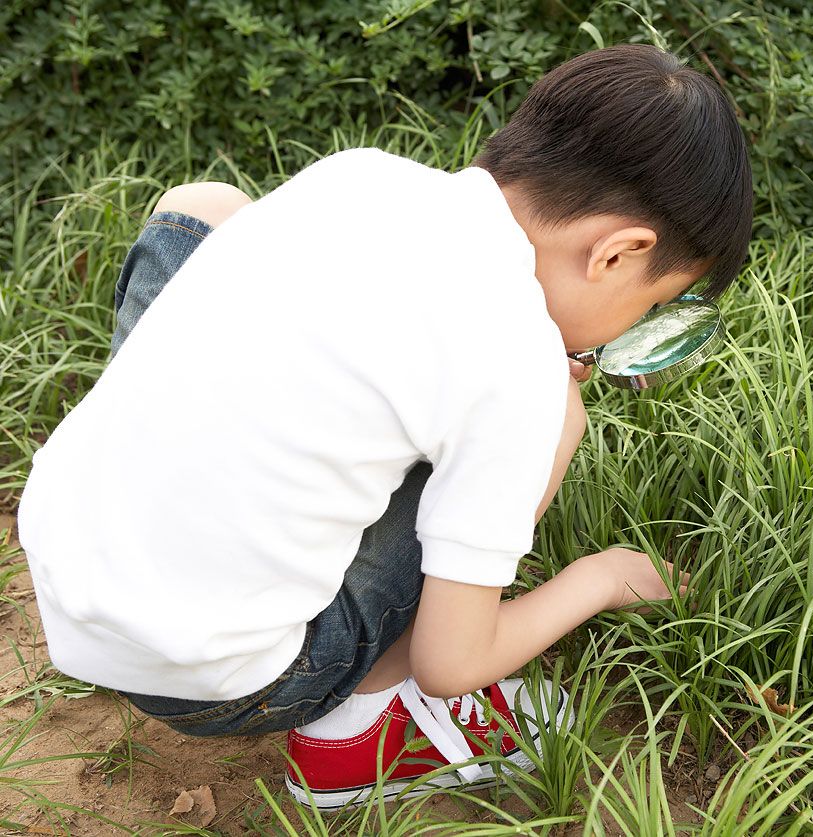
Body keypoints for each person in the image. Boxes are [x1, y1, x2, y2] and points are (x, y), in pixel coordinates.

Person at [15, 43, 752, 809]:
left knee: (208, 208)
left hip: (65, 573)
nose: (632, 326)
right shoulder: (520, 370)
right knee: (554, 419)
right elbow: (453, 659)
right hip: (208, 681)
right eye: (654, 301)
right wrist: (598, 579)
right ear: (618, 252)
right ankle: (364, 724)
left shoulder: (362, 174)